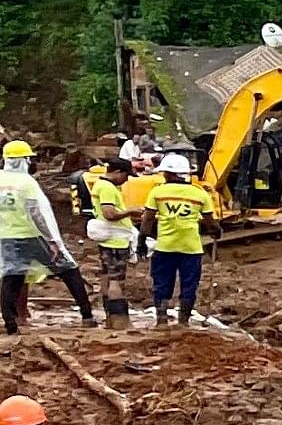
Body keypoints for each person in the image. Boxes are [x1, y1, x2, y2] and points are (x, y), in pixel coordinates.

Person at [0, 143, 93, 334]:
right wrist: (52, 240)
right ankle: (87, 315)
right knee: (68, 270)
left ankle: (10, 323)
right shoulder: (26, 183)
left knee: (12, 277)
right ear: (24, 160)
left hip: (7, 237)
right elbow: (37, 213)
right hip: (32, 236)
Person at [137, 153, 215, 327]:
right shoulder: (199, 193)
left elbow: (148, 219)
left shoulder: (158, 192)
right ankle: (183, 321)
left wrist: (141, 240)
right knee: (189, 285)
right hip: (191, 248)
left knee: (162, 283)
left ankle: (162, 320)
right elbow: (210, 221)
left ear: (168, 174)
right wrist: (216, 231)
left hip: (165, 247)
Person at [74, 151, 135, 329]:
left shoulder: (101, 185)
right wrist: (130, 211)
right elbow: (109, 214)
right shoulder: (108, 188)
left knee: (107, 277)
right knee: (117, 280)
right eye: (125, 176)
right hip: (116, 241)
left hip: (109, 241)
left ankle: (110, 318)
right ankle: (119, 320)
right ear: (117, 172)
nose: (126, 180)